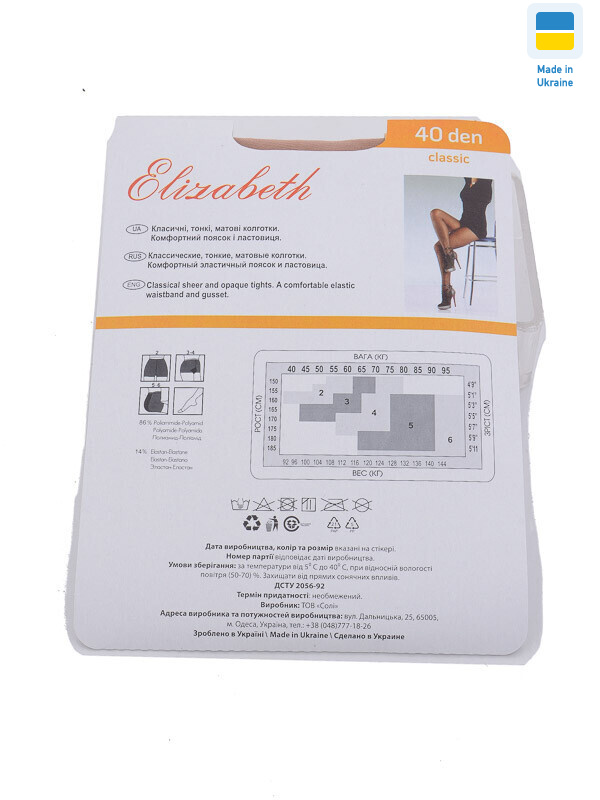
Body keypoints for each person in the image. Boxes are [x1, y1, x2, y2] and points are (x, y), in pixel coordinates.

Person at [430, 178, 493, 310]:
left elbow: (485, 199)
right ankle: (449, 254)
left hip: (476, 227)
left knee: (439, 246)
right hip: (463, 222)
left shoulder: (486, 182)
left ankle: (446, 292)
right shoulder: (467, 179)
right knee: (435, 213)